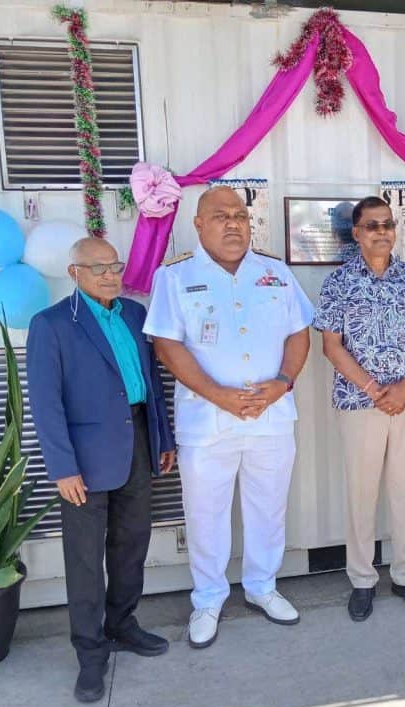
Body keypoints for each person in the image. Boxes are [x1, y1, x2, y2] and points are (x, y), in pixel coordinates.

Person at [144, 186, 315, 648]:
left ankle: (262, 587)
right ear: (198, 224)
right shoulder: (174, 277)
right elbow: (166, 344)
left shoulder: (274, 273)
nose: (234, 223)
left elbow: (300, 333)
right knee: (206, 514)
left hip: (271, 416)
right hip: (207, 420)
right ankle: (208, 598)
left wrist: (282, 382)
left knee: (268, 507)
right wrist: (216, 394)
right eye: (221, 216)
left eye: (240, 215)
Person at [27, 237, 176, 703]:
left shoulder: (133, 315)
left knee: (132, 543)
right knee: (87, 557)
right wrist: (62, 468)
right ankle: (90, 652)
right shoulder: (51, 324)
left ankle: (122, 624)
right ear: (74, 273)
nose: (111, 275)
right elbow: (45, 403)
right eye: (99, 268)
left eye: (115, 266)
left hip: (136, 440)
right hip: (83, 458)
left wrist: (163, 438)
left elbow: (151, 383)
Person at [314, 196, 405, 622]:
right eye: (372, 225)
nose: (382, 231)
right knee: (361, 494)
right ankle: (362, 580)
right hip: (358, 402)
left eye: (387, 224)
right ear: (357, 232)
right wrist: (373, 388)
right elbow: (331, 346)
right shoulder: (338, 282)